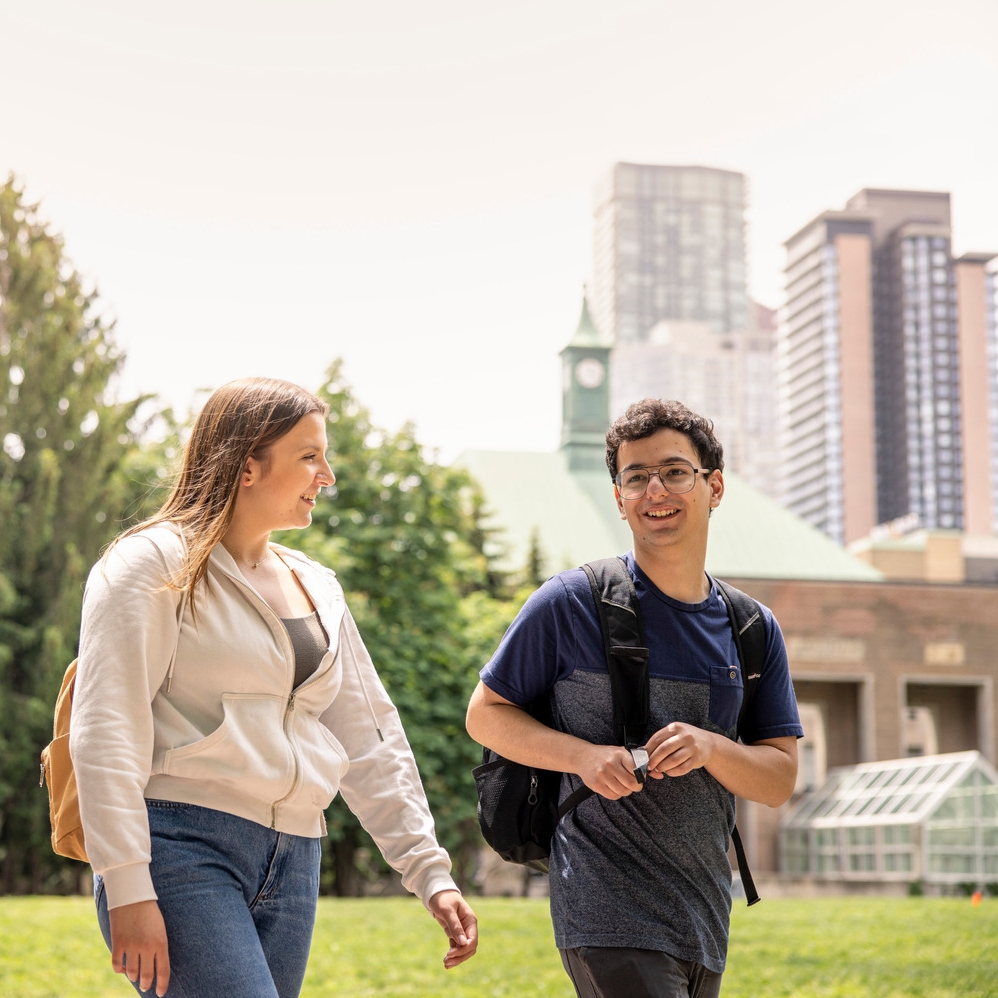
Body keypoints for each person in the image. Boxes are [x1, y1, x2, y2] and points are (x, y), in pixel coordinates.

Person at [71, 377, 478, 998]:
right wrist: (127, 885)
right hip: (180, 846)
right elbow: (106, 729)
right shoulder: (150, 565)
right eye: (309, 456)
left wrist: (429, 870)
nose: (328, 475)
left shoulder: (317, 585)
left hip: (296, 855)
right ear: (247, 465)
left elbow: (368, 736)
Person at [465, 398, 801, 998]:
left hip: (704, 914)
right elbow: (485, 715)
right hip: (603, 906)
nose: (655, 491)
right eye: (635, 477)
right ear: (618, 497)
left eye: (675, 472)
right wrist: (583, 757)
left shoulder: (753, 628)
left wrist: (710, 747)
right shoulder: (570, 603)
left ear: (714, 486)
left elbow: (776, 781)